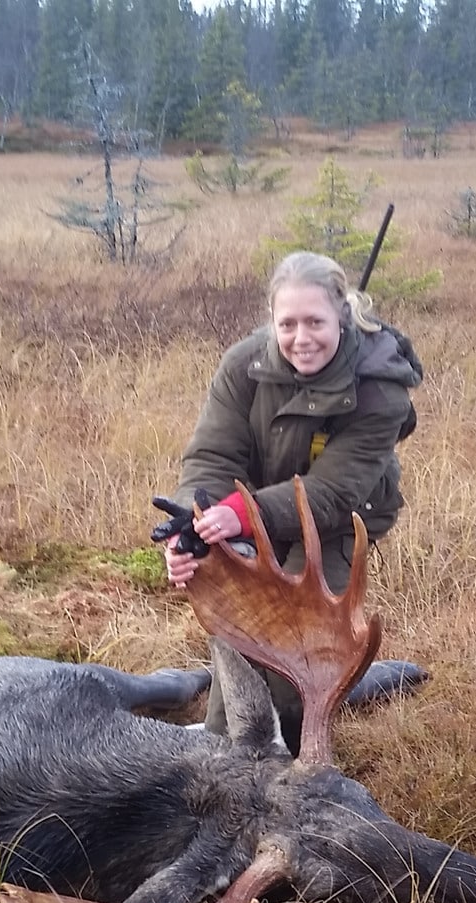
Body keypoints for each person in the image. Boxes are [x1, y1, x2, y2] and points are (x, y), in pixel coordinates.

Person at [162, 250, 427, 749]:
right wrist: (192, 531)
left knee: (300, 637)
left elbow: (334, 490)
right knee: (235, 604)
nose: (301, 338)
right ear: (271, 321)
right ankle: (227, 741)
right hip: (254, 505)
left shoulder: (382, 387)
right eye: (288, 324)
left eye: (315, 322)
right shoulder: (244, 365)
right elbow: (213, 456)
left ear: (342, 315)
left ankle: (291, 728)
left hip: (343, 517)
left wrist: (241, 515)